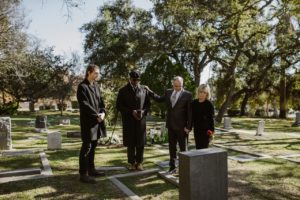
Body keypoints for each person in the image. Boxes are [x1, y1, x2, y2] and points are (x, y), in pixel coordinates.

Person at [146, 76, 192, 174]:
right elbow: (158, 99)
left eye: (179, 86)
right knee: (172, 148)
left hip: (182, 127)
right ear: (173, 84)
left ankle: (185, 169)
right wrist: (149, 91)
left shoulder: (188, 95)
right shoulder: (168, 92)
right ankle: (172, 167)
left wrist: (188, 127)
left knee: (183, 149)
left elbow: (190, 112)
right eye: (175, 86)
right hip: (170, 125)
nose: (177, 88)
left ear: (182, 84)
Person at [77, 64, 106, 184]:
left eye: (98, 73)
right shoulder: (82, 87)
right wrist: (96, 115)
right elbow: (84, 105)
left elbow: (101, 102)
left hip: (97, 121)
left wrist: (103, 113)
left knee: (94, 145)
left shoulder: (96, 86)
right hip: (88, 122)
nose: (97, 75)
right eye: (96, 73)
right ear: (89, 72)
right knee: (87, 147)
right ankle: (83, 174)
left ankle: (91, 169)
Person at [116, 70, 151, 171]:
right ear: (130, 79)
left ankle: (139, 162)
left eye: (138, 80)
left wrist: (144, 111)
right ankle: (131, 163)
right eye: (134, 80)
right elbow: (118, 105)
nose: (136, 82)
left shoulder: (144, 90)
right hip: (129, 120)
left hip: (141, 121)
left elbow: (148, 104)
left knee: (140, 143)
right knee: (131, 143)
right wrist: (131, 111)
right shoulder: (123, 90)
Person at [191, 84, 215, 149]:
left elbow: (211, 119)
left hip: (206, 131)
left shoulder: (209, 104)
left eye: (204, 92)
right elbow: (191, 117)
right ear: (198, 92)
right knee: (198, 148)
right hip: (197, 129)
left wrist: (211, 133)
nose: (202, 94)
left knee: (204, 149)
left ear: (207, 94)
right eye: (201, 92)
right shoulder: (194, 103)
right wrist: (189, 127)